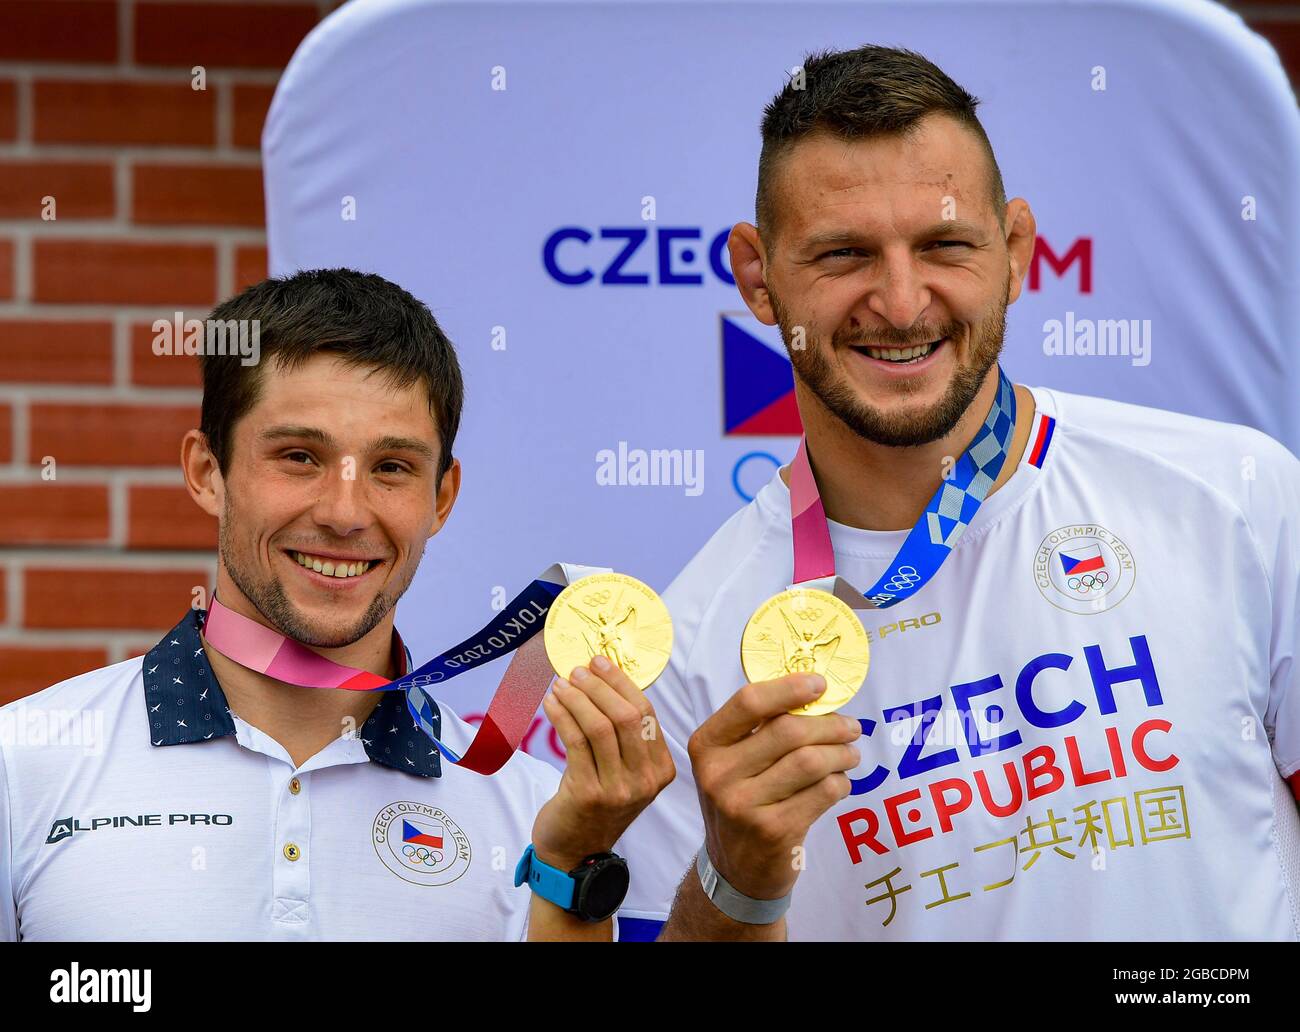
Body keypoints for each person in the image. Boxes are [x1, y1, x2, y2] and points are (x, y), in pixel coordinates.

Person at [628, 44, 1300, 940]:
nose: (903, 305)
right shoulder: (693, 654)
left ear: (1016, 250)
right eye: (843, 255)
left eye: (945, 244)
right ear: (757, 276)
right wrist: (736, 884)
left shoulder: (1239, 498)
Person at [0, 269, 674, 941]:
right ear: (208, 473)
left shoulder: (534, 814)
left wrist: (567, 873)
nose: (345, 514)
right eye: (299, 456)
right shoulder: (22, 764)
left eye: (391, 467)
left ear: (441, 498)